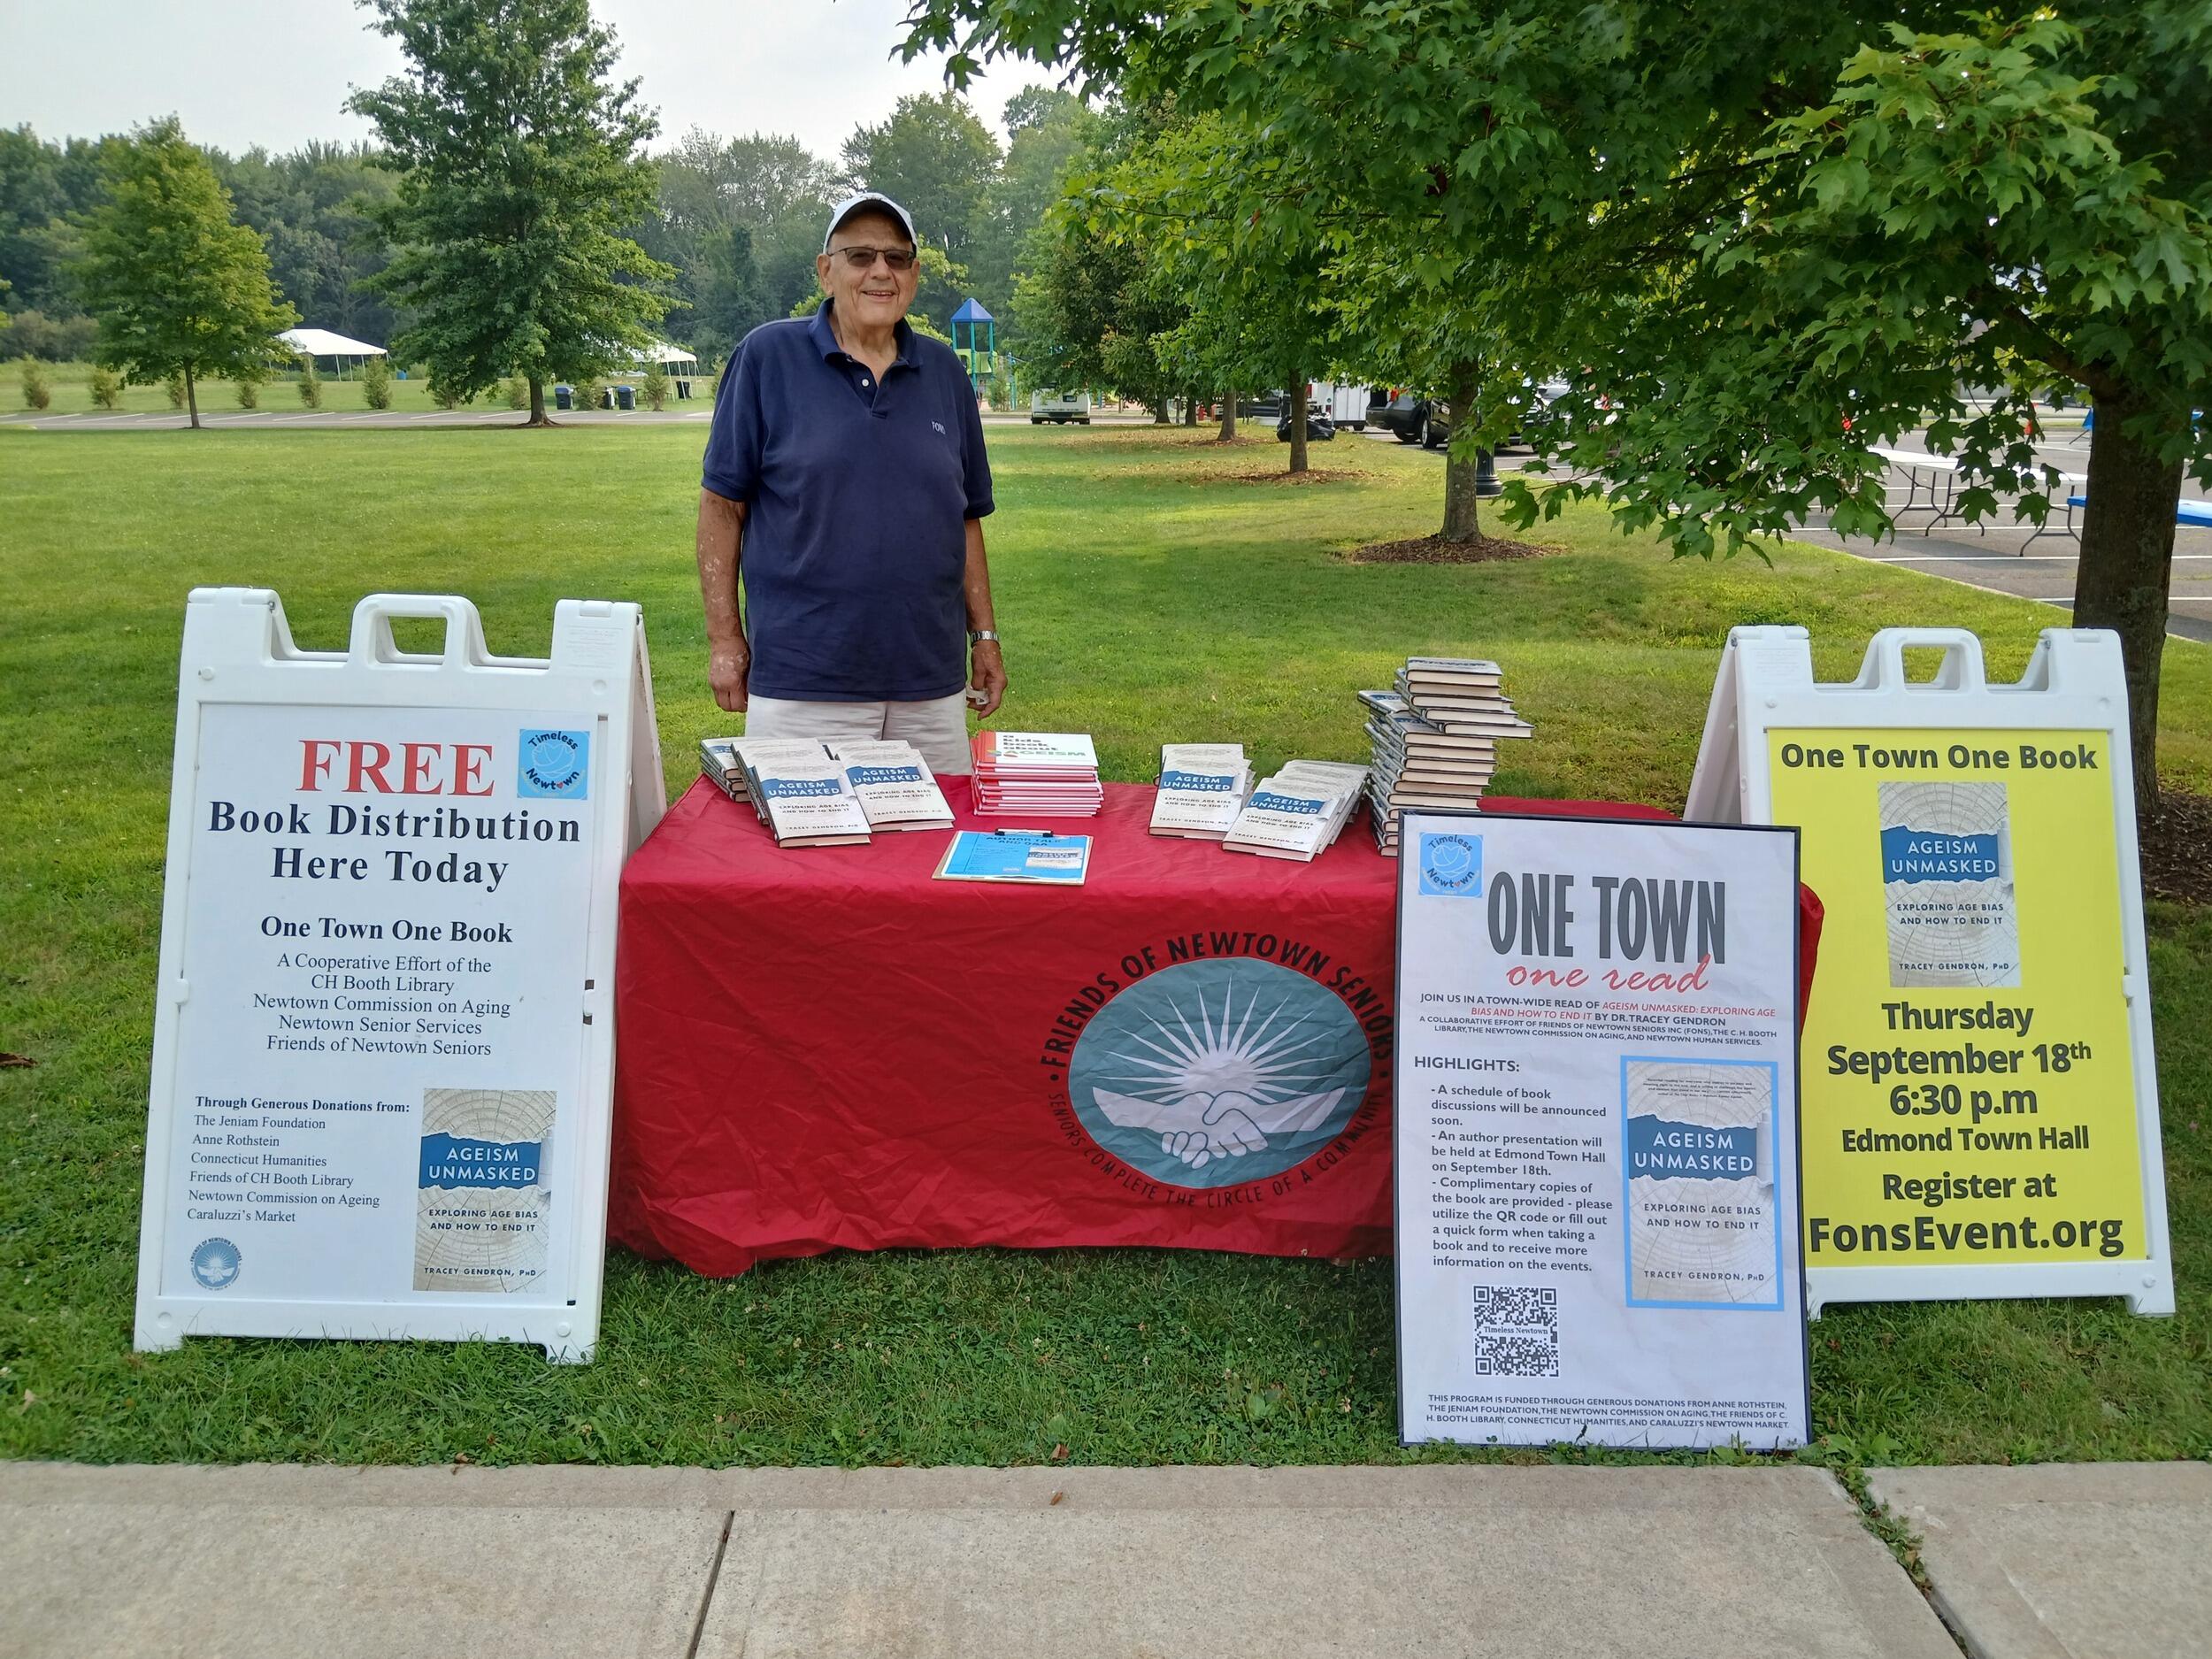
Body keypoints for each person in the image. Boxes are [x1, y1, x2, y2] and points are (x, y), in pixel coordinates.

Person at [695, 191, 1004, 775]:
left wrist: (984, 635)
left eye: (896, 257)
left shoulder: (944, 373)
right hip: (803, 686)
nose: (880, 271)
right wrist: (725, 641)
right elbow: (720, 508)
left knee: (929, 856)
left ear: (914, 274)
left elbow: (964, 517)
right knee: (807, 862)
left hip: (929, 688)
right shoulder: (767, 358)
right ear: (825, 270)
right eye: (860, 256)